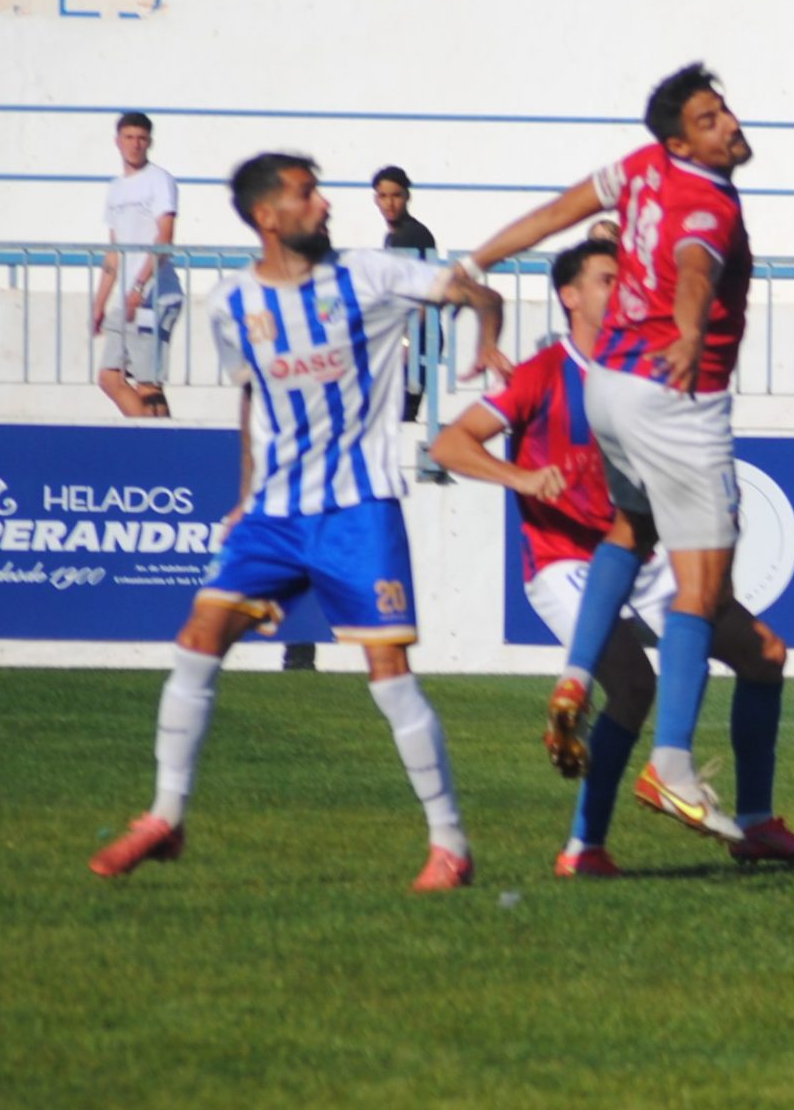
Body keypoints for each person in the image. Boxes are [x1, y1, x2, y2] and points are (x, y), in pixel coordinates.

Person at [89, 153, 509, 891]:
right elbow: (252, 400)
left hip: (357, 507)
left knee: (388, 675)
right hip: (273, 514)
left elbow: (472, 287)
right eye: (306, 194)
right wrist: (245, 494)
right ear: (267, 216)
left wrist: (486, 338)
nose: (323, 204)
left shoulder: (369, 276)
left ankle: (449, 843)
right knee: (197, 642)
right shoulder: (229, 306)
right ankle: (164, 815)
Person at [428, 240, 794, 876]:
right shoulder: (541, 371)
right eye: (605, 279)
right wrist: (523, 479)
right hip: (565, 562)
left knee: (765, 654)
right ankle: (583, 844)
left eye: (623, 278)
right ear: (570, 296)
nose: (620, 289)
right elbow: (449, 443)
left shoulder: (642, 371)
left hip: (645, 555)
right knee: (635, 685)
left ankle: (754, 824)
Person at [465, 63, 760, 844]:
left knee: (632, 532)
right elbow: (695, 269)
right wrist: (692, 331)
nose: (728, 124)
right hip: (675, 388)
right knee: (702, 588)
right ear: (678, 141)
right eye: (707, 119)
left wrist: (477, 261)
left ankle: (575, 671)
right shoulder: (706, 198)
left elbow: (561, 209)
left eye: (724, 110)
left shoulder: (640, 168)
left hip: (613, 386)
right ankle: (670, 761)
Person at [93, 110, 185, 418]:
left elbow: (165, 239)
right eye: (129, 138)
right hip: (127, 299)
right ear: (117, 141)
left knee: (148, 383)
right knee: (109, 377)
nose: (135, 145)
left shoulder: (159, 180)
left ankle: (164, 449)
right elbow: (113, 252)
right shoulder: (116, 187)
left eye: (141, 139)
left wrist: (139, 286)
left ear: (150, 143)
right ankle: (149, 435)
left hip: (155, 295)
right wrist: (99, 303)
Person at [373, 165, 439, 423]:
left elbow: (425, 290)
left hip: (414, 334)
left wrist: (406, 339)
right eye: (384, 196)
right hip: (403, 332)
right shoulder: (395, 236)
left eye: (396, 195)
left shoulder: (412, 235)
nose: (390, 203)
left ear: (407, 197)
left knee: (401, 414)